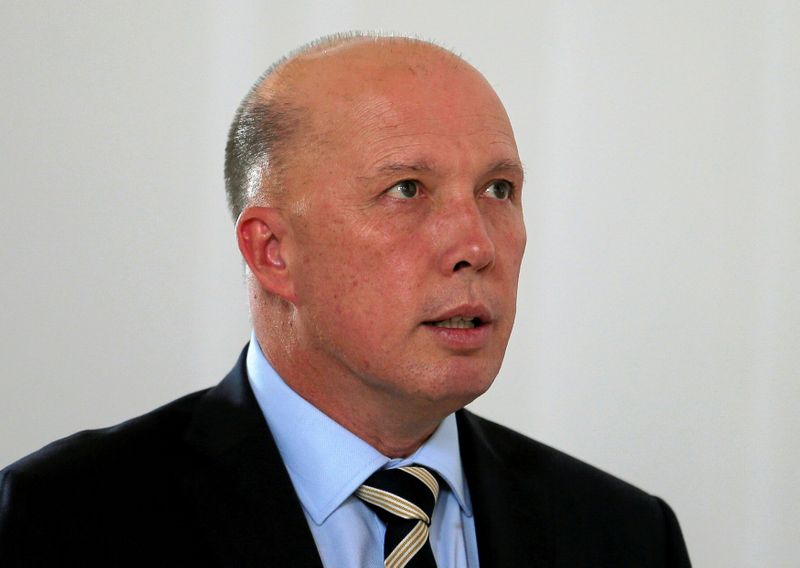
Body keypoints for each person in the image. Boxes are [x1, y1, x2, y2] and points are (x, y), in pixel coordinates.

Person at [0, 33, 691, 567]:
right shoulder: (59, 522)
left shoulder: (624, 536)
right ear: (273, 251)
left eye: (499, 190)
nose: (476, 245)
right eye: (408, 190)